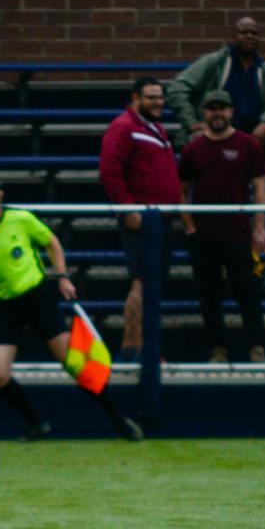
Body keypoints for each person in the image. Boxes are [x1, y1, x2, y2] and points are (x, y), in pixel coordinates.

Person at [0, 173, 143, 440]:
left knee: (75, 365)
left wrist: (62, 275)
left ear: (0, 195)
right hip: (3, 306)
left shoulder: (21, 218)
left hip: (37, 298)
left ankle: (119, 421)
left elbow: (52, 242)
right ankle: (36, 424)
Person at [167, 15, 265, 203]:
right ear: (233, 36)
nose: (249, 36)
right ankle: (199, 204)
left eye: (253, 33)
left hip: (253, 137)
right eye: (243, 32)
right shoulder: (215, 62)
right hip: (217, 134)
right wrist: (191, 122)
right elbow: (177, 89)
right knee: (197, 140)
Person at [178, 90, 265, 364]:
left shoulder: (248, 145)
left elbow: (260, 187)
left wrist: (259, 227)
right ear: (204, 113)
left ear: (231, 111)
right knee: (209, 296)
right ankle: (218, 349)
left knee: (248, 293)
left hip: (239, 234)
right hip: (204, 236)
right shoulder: (193, 148)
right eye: (212, 109)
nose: (217, 113)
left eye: (222, 108)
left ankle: (256, 349)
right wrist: (189, 226)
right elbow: (181, 190)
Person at [99, 77, 183, 360]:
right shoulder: (124, 126)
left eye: (160, 97)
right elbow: (109, 170)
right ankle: (142, 349)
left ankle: (132, 347)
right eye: (151, 97)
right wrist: (127, 209)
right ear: (136, 98)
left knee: (149, 285)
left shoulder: (154, 127)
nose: (158, 102)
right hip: (142, 218)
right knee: (143, 284)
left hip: (160, 218)